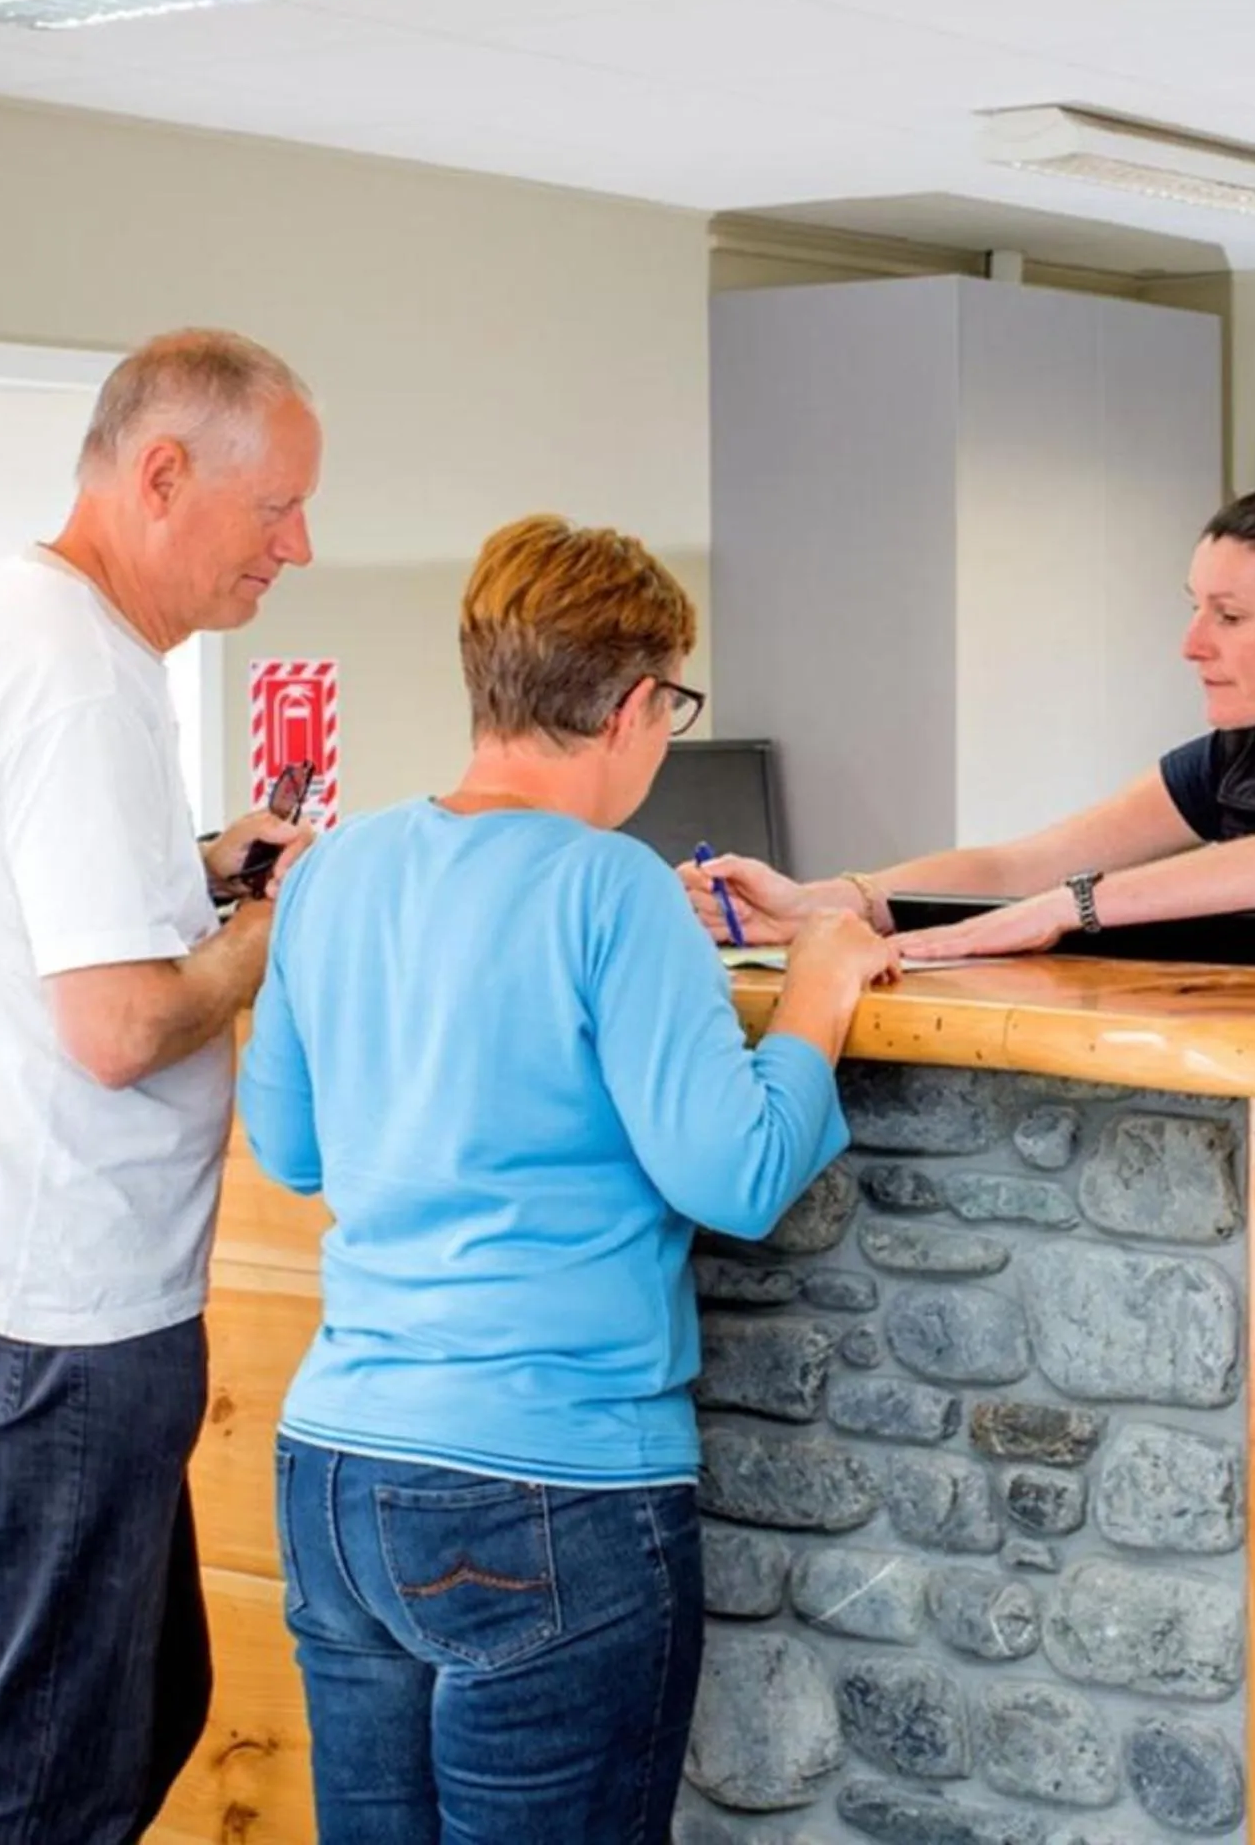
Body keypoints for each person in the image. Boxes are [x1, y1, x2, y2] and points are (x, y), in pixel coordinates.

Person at [238, 514, 893, 1843]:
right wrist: (823, 980)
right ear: (637, 707)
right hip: (550, 1487)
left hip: (337, 1474)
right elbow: (741, 1171)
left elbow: (293, 1151)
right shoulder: (614, 889)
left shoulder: (335, 871)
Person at [0, 328, 323, 1843]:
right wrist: (264, 937)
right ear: (163, 475)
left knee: (142, 1705)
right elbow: (116, 1028)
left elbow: (30, 912)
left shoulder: (7, 619)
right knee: (45, 1783)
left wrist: (190, 874)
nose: (296, 550)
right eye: (274, 512)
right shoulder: (81, 680)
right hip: (60, 1307)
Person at [689, 477, 1255, 961]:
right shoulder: (1235, 764)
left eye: (1231, 616)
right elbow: (1020, 865)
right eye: (1194, 606)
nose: (1192, 643)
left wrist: (1076, 909)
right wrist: (828, 903)